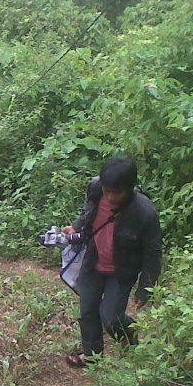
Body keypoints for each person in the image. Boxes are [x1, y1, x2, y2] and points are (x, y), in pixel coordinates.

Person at [63, 156, 162, 367]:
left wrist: (145, 288)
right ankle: (92, 355)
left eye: (116, 192)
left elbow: (153, 254)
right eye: (107, 190)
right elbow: (89, 210)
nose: (109, 196)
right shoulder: (96, 187)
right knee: (87, 310)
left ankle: (129, 333)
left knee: (110, 317)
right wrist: (78, 226)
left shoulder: (145, 213)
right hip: (94, 261)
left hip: (121, 270)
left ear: (130, 188)